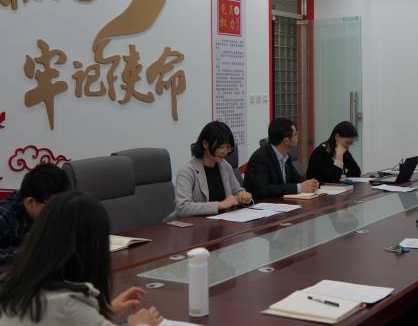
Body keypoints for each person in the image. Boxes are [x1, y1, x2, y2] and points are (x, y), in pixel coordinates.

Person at [0, 191, 163, 326]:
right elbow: (68, 315)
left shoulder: (11, 283)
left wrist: (104, 312)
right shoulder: (68, 305)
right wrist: (142, 324)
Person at [173, 121, 252, 218]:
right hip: (196, 224)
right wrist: (219, 205)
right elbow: (182, 207)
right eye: (221, 147)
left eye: (228, 147)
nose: (225, 152)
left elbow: (237, 191)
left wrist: (244, 197)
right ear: (205, 144)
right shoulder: (187, 171)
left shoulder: (225, 166)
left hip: (223, 221)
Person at [0, 163, 70, 266]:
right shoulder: (4, 215)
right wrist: (34, 251)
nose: (59, 211)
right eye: (53, 206)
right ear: (31, 202)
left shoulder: (60, 209)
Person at [244, 118, 319, 200]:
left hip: (280, 203)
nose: (298, 136)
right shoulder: (260, 158)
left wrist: (310, 184)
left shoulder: (286, 155)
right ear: (286, 141)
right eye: (295, 134)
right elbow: (263, 189)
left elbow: (297, 179)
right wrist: (299, 188)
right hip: (262, 204)